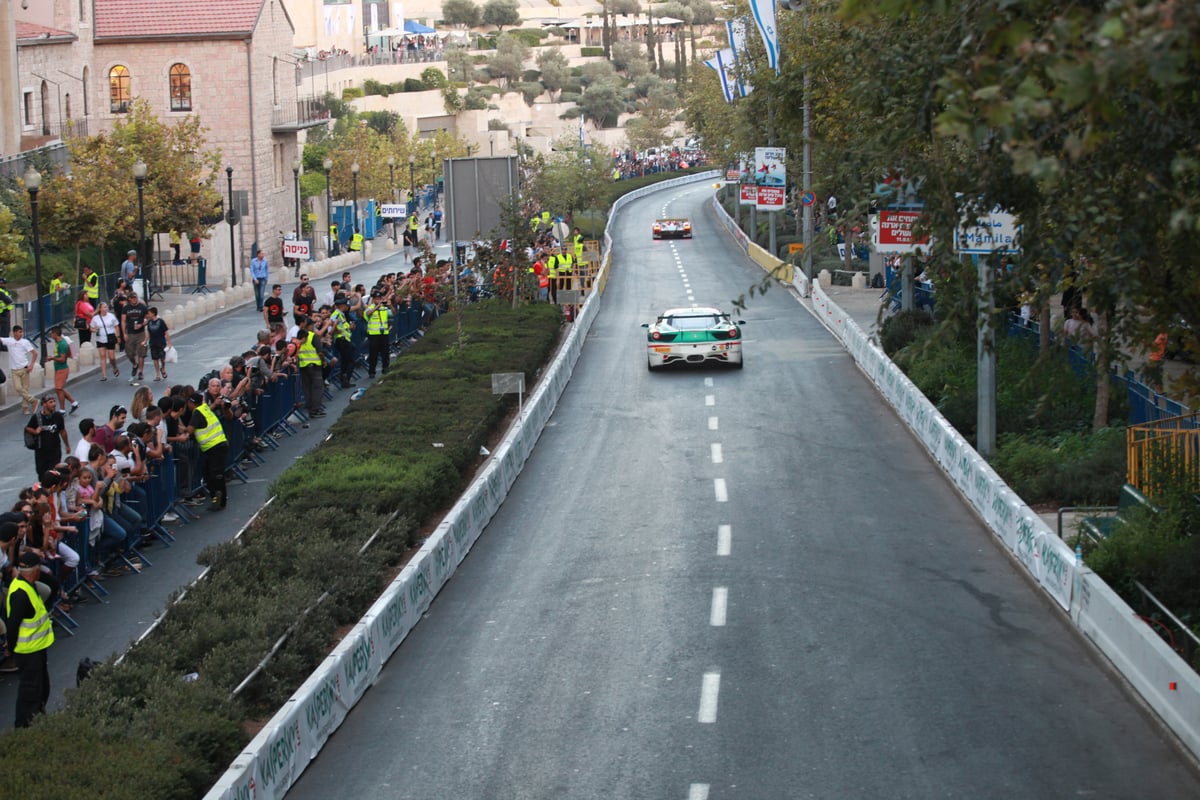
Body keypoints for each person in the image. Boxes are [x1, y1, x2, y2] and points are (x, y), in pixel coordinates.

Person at [5, 551, 54, 728]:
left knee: (41, 689)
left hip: (36, 648)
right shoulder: (21, 594)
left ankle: (37, 719)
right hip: (28, 651)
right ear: (35, 571)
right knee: (30, 692)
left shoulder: (28, 585)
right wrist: (11, 648)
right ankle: (25, 727)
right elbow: (12, 625)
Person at [190, 385, 230, 510]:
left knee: (216, 474)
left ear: (192, 403)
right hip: (216, 445)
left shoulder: (197, 412)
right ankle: (216, 497)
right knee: (209, 473)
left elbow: (190, 429)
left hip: (215, 447)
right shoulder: (205, 408)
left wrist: (182, 430)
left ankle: (220, 499)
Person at [26, 394, 69, 480]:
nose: (54, 404)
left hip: (55, 450)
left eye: (54, 401)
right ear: (44, 404)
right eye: (50, 402)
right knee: (42, 473)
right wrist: (35, 431)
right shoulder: (37, 417)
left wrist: (67, 445)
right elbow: (28, 428)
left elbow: (62, 431)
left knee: (54, 473)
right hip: (41, 451)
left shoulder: (58, 416)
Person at [294, 316, 325, 421]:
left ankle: (310, 408)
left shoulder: (296, 337)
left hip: (303, 366)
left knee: (307, 389)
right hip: (314, 365)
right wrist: (323, 361)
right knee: (317, 388)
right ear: (310, 326)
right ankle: (315, 410)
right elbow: (320, 352)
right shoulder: (312, 336)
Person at [2, 325, 39, 414]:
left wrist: (31, 365)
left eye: (21, 332)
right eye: (19, 332)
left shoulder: (25, 342)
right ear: (14, 333)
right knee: (18, 388)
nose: (21, 334)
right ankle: (33, 400)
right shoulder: (9, 341)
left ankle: (25, 408)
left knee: (25, 389)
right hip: (14, 370)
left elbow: (34, 353)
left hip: (24, 368)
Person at [47, 327, 79, 414]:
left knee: (58, 389)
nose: (50, 335)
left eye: (52, 333)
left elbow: (62, 359)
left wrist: (52, 358)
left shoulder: (62, 344)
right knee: (59, 389)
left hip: (62, 369)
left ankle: (62, 409)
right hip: (58, 369)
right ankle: (74, 403)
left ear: (55, 334)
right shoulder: (58, 342)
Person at [89, 301, 120, 380]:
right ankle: (104, 375)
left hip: (110, 337)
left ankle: (114, 367)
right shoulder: (96, 318)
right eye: (104, 307)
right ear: (100, 309)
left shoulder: (111, 316)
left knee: (111, 357)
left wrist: (118, 336)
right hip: (100, 338)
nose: (106, 309)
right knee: (102, 356)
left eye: (106, 307)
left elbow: (116, 326)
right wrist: (94, 330)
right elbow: (91, 327)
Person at [364, 288, 391, 378]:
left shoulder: (384, 307)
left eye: (379, 298)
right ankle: (372, 372)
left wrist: (391, 306)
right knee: (373, 354)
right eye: (376, 299)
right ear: (373, 299)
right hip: (373, 334)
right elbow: (367, 314)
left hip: (384, 334)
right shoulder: (370, 307)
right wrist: (376, 307)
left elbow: (393, 313)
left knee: (385, 353)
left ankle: (385, 368)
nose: (378, 300)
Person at [122, 291, 149, 383]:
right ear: (129, 299)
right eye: (132, 298)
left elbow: (147, 318)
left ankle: (141, 372)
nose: (134, 299)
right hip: (130, 333)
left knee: (141, 352)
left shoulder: (142, 307)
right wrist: (124, 333)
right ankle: (134, 364)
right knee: (129, 353)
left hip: (140, 333)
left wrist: (142, 324)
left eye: (135, 298)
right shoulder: (126, 308)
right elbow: (123, 320)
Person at [145, 306, 171, 381]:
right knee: (155, 359)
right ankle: (157, 374)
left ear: (153, 313)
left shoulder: (161, 321)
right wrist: (145, 341)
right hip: (153, 343)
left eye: (149, 313)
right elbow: (148, 333)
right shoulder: (149, 322)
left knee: (162, 358)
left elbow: (166, 332)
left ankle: (162, 368)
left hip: (161, 342)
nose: (148, 314)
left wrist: (169, 343)